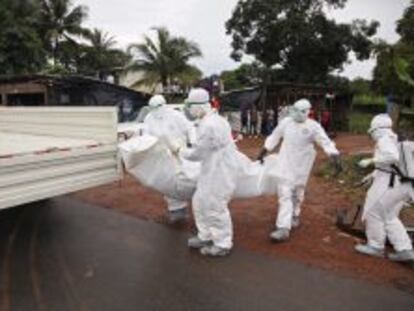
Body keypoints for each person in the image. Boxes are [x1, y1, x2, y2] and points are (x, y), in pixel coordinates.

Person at [257, 99, 341, 242]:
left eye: (301, 111)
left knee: (298, 191)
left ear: (308, 112)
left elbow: (324, 141)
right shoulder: (286, 122)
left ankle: (295, 215)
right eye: (295, 110)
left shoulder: (313, 126)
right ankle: (283, 228)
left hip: (302, 165)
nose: (296, 113)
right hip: (285, 163)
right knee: (284, 193)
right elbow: (275, 136)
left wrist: (333, 154)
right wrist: (265, 149)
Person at [179, 88, 243, 257]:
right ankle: (206, 235)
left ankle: (222, 243)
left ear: (199, 106)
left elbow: (199, 153)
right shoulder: (210, 120)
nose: (188, 109)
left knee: (215, 205)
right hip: (212, 168)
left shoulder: (210, 124)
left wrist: (180, 150)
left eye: (190, 105)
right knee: (200, 200)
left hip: (221, 170)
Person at [355, 114, 414, 262]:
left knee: (374, 211)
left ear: (377, 129)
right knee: (389, 215)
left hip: (390, 184)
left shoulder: (384, 139)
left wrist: (371, 160)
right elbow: (390, 165)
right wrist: (371, 175)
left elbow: (392, 157)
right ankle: (404, 249)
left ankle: (375, 246)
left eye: (372, 131)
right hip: (404, 184)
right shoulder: (395, 138)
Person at [143, 94, 195, 223]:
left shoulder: (175, 115)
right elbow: (146, 134)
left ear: (163, 105)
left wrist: (193, 143)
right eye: (152, 109)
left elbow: (190, 128)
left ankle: (190, 203)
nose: (155, 112)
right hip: (162, 155)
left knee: (184, 178)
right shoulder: (149, 118)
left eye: (156, 108)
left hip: (179, 153)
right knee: (168, 181)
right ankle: (177, 211)